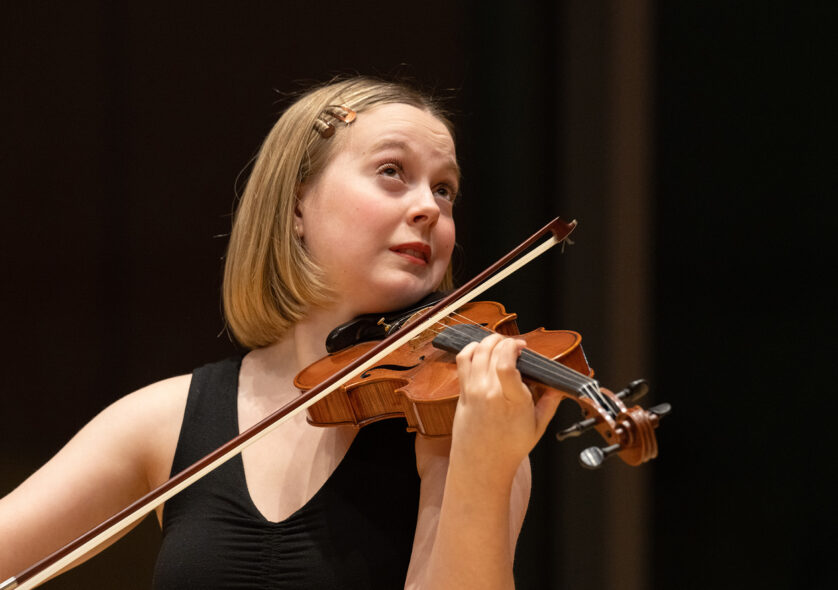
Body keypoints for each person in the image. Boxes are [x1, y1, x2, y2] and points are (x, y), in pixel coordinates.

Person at [0, 77, 561, 589]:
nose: (428, 208)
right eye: (394, 172)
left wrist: (483, 469)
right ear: (297, 203)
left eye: (445, 190)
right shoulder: (164, 422)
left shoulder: (459, 422)